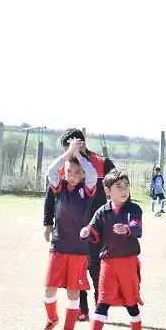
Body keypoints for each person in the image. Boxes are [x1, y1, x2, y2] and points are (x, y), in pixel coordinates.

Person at [43, 129, 116, 316]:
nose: (69, 151)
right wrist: (48, 222)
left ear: (82, 144)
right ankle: (82, 309)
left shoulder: (102, 164)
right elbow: (51, 197)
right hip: (73, 228)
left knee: (95, 265)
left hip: (99, 224)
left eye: (72, 146)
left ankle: (100, 305)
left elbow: (119, 189)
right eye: (66, 148)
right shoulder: (63, 167)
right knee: (78, 268)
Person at [80, 169, 145, 330]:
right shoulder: (102, 211)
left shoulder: (134, 209)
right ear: (108, 191)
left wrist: (127, 229)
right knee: (102, 302)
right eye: (119, 187)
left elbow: (137, 227)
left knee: (131, 304)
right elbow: (94, 231)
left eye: (126, 186)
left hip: (128, 263)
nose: (124, 190)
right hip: (107, 264)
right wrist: (87, 231)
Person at [41, 139, 99, 330]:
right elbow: (51, 170)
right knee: (49, 289)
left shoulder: (87, 190)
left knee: (74, 293)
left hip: (79, 250)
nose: (73, 176)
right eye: (69, 172)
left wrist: (80, 155)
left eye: (77, 172)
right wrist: (69, 153)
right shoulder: (59, 187)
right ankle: (51, 319)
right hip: (59, 247)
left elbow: (92, 173)